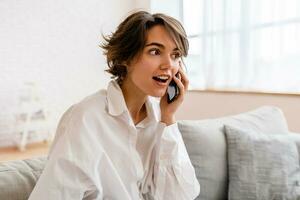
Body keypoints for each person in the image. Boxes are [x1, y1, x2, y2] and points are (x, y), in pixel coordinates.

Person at [29, 10, 200, 200]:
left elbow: (181, 195)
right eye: (155, 51)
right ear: (126, 58)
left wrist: (168, 118)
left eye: (175, 55)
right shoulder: (86, 118)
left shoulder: (160, 120)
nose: (169, 64)